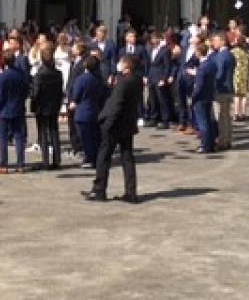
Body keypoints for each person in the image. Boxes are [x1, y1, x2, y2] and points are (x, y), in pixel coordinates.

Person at [85, 54, 142, 203]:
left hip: (115, 124)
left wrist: (107, 124)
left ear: (127, 67)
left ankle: (99, 190)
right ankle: (131, 192)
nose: (119, 65)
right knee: (127, 157)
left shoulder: (124, 82)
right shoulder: (137, 80)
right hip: (128, 123)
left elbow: (117, 104)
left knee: (103, 157)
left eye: (121, 63)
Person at [0, 52, 29, 174]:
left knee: (3, 138)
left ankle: (3, 164)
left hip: (4, 110)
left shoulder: (3, 76)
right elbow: (26, 91)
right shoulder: (20, 75)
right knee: (19, 137)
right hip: (18, 108)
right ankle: (21, 164)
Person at [31, 45, 64, 170]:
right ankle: (57, 159)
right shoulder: (58, 74)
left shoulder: (40, 75)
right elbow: (60, 91)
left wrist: (34, 102)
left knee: (43, 133)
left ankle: (45, 160)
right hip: (54, 105)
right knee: (54, 131)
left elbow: (36, 92)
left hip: (42, 106)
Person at [69, 56, 103, 168]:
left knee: (85, 137)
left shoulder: (82, 79)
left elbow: (76, 94)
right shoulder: (98, 79)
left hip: (83, 112)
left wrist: (74, 102)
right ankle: (96, 157)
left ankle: (90, 158)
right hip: (95, 109)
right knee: (94, 136)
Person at [209, 32, 235, 150]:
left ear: (223, 41)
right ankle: (228, 140)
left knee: (221, 117)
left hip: (221, 90)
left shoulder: (221, 56)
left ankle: (222, 141)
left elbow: (218, 74)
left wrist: (212, 86)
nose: (214, 43)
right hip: (229, 88)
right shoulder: (230, 55)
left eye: (216, 40)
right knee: (227, 117)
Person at [191, 42, 218, 154]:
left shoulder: (202, 67)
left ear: (198, 52)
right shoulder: (211, 64)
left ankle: (205, 145)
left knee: (203, 122)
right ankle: (210, 144)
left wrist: (193, 97)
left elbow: (199, 86)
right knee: (208, 120)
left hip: (201, 98)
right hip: (209, 95)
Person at [145, 34, 177, 129]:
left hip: (160, 77)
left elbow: (167, 66)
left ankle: (165, 120)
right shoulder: (150, 50)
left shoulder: (165, 50)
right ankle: (154, 118)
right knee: (152, 99)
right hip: (151, 77)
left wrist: (164, 79)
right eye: (153, 38)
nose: (154, 40)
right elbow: (148, 64)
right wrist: (146, 76)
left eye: (156, 38)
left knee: (162, 99)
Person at [231, 31, 249, 121]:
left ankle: (236, 113)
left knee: (236, 95)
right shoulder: (248, 52)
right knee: (244, 95)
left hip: (236, 73)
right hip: (245, 73)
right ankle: (243, 114)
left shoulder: (233, 51)